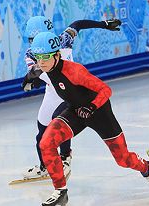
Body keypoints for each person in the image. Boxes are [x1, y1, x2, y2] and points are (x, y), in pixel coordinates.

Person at [30, 31, 149, 206]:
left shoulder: (74, 71)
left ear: (57, 55)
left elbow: (105, 90)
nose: (41, 62)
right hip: (76, 112)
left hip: (99, 113)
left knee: (123, 159)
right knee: (46, 143)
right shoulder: (43, 68)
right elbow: (32, 74)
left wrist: (91, 107)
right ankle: (60, 191)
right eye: (38, 57)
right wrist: (27, 82)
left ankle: (145, 167)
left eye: (45, 57)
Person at [20, 15, 122, 181]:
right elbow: (77, 24)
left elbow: (77, 24)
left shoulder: (62, 41)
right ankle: (45, 166)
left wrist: (30, 81)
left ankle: (65, 158)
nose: (33, 43)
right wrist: (31, 81)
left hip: (68, 92)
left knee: (57, 122)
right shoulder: (31, 53)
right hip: (52, 93)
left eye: (34, 38)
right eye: (30, 39)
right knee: (41, 132)